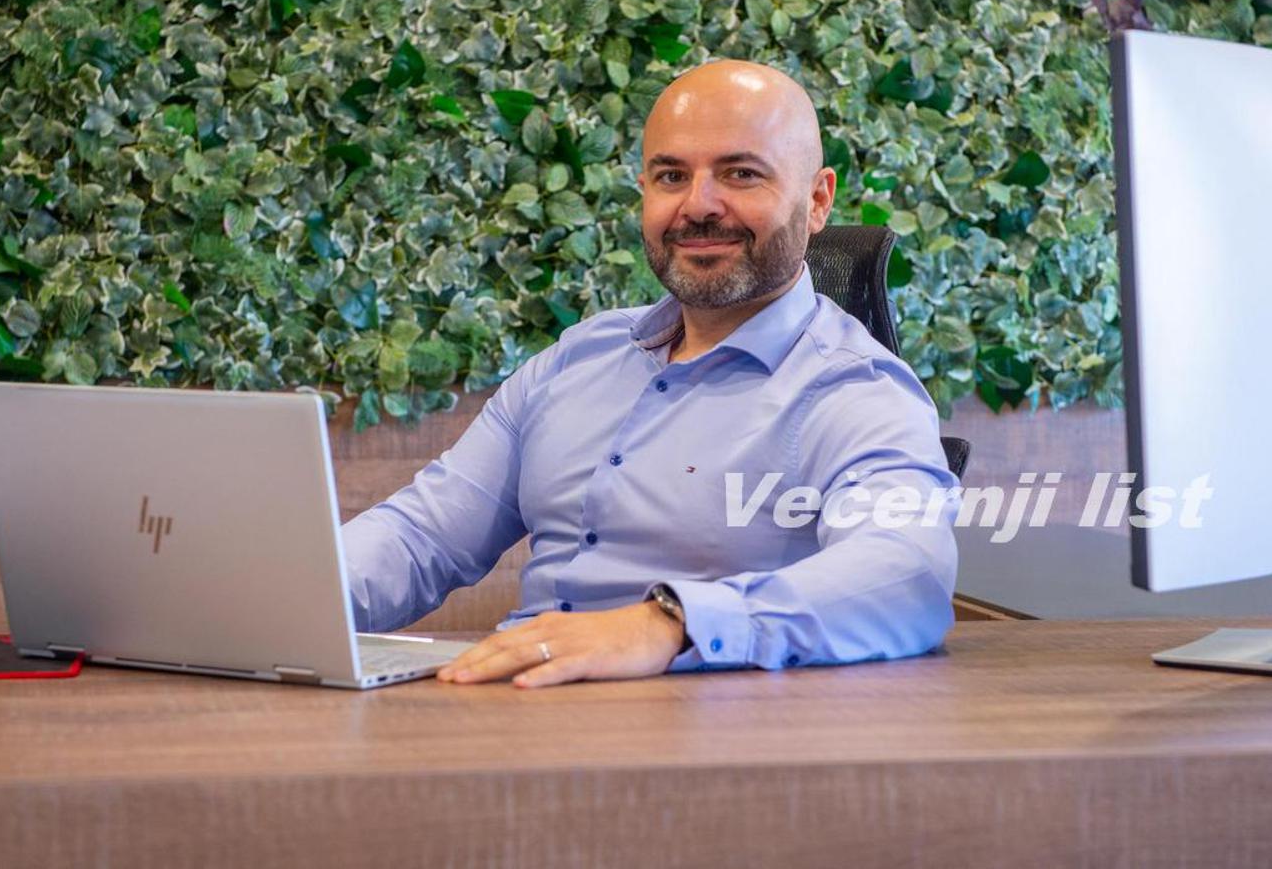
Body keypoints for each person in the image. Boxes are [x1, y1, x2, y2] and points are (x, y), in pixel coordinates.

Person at [339, 58, 959, 688]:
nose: (699, 205)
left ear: (818, 199)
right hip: (513, 707)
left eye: (741, 173)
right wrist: (296, 598)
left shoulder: (856, 389)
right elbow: (423, 536)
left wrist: (669, 623)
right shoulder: (578, 357)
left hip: (699, 729)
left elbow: (908, 575)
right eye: (671, 176)